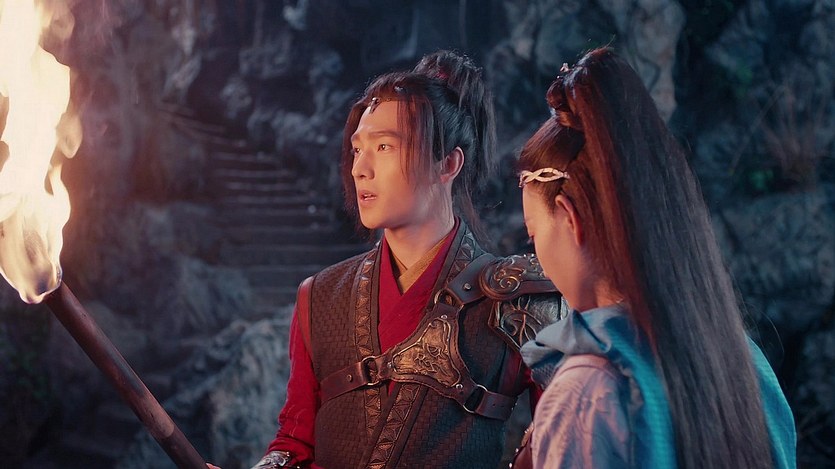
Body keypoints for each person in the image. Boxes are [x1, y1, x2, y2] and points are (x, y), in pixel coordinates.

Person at [221, 50, 567, 469]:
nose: (360, 169)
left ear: (448, 163)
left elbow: (562, 444)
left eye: (384, 146)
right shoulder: (320, 297)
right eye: (357, 149)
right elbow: (294, 443)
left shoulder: (521, 298)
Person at [513, 47, 796, 468]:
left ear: (570, 219)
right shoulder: (747, 365)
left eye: (533, 233)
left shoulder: (590, 392)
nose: (536, 251)